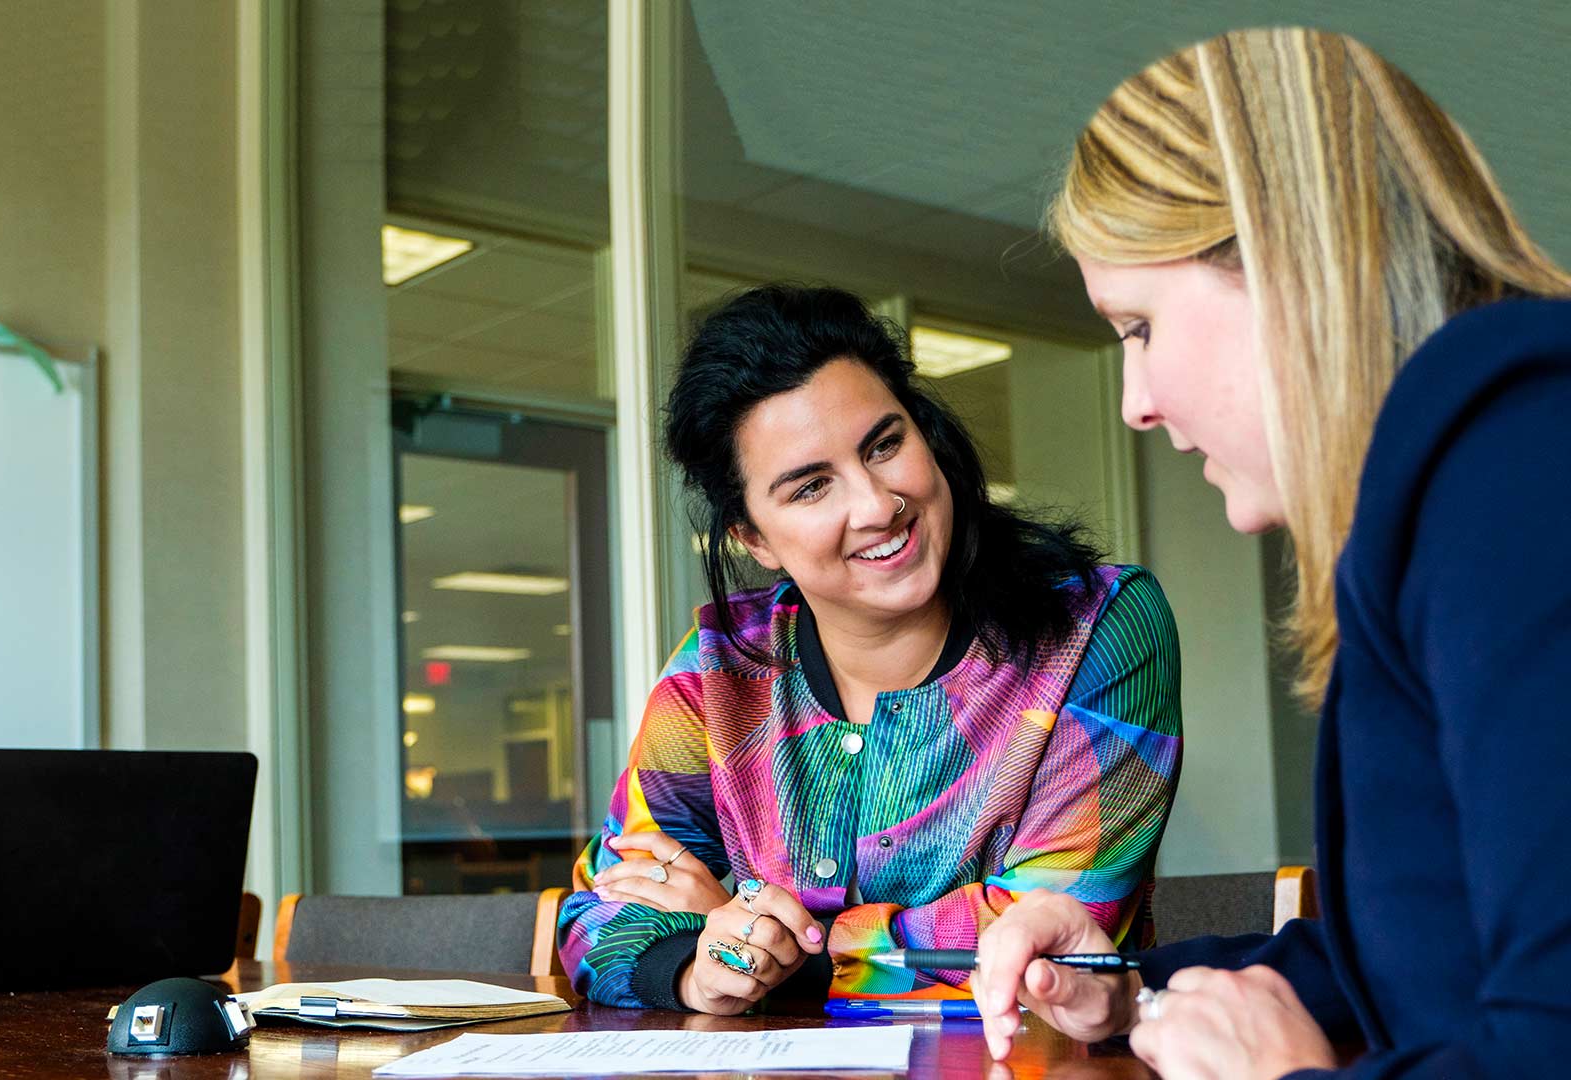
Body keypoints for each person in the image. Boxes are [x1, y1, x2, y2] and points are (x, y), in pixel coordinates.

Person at [970, 27, 1571, 1079]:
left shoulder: (1514, 455)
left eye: (1140, 326)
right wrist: (1127, 987)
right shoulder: (1457, 479)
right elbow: (1408, 950)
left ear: (1282, 254)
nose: (1138, 403)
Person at [557, 284, 1183, 1014]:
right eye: (812, 486)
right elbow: (598, 916)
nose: (877, 504)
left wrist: (769, 944)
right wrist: (696, 969)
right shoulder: (716, 670)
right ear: (753, 539)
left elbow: (1055, 936)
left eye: (885, 445)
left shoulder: (1098, 625)